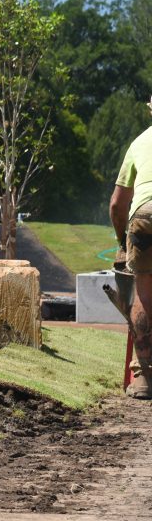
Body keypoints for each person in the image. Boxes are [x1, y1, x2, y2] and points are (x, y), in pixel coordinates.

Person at [109, 98, 152, 400]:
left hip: (144, 218)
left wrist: (121, 239)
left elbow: (117, 204)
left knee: (145, 295)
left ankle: (144, 378)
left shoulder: (139, 142)